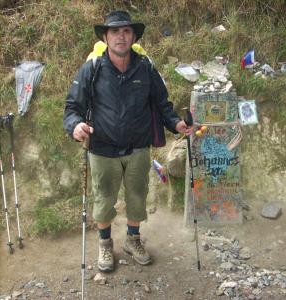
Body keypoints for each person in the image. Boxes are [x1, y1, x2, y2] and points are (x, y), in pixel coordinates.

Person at [63, 10, 193, 272]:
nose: (121, 37)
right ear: (105, 36)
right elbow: (72, 108)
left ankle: (133, 239)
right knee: (103, 199)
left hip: (137, 147)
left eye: (126, 31)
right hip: (101, 148)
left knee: (137, 197)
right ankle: (105, 244)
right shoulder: (93, 68)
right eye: (115, 31)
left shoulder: (145, 68)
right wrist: (75, 126)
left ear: (133, 36)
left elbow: (162, 104)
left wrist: (176, 123)